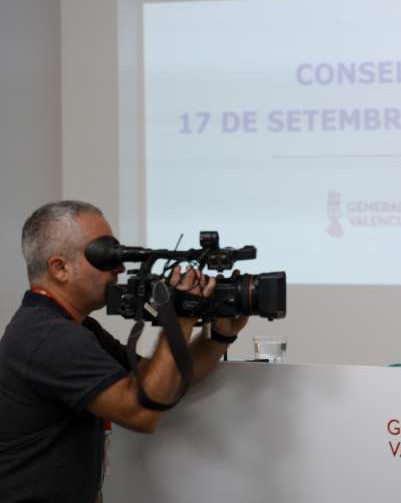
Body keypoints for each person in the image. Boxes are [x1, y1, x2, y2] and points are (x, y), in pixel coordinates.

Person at [0, 201, 249, 503]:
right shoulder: (49, 336)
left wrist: (220, 337)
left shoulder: (75, 328)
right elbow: (141, 412)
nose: (119, 268)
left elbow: (163, 383)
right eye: (105, 256)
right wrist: (178, 317)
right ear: (60, 268)